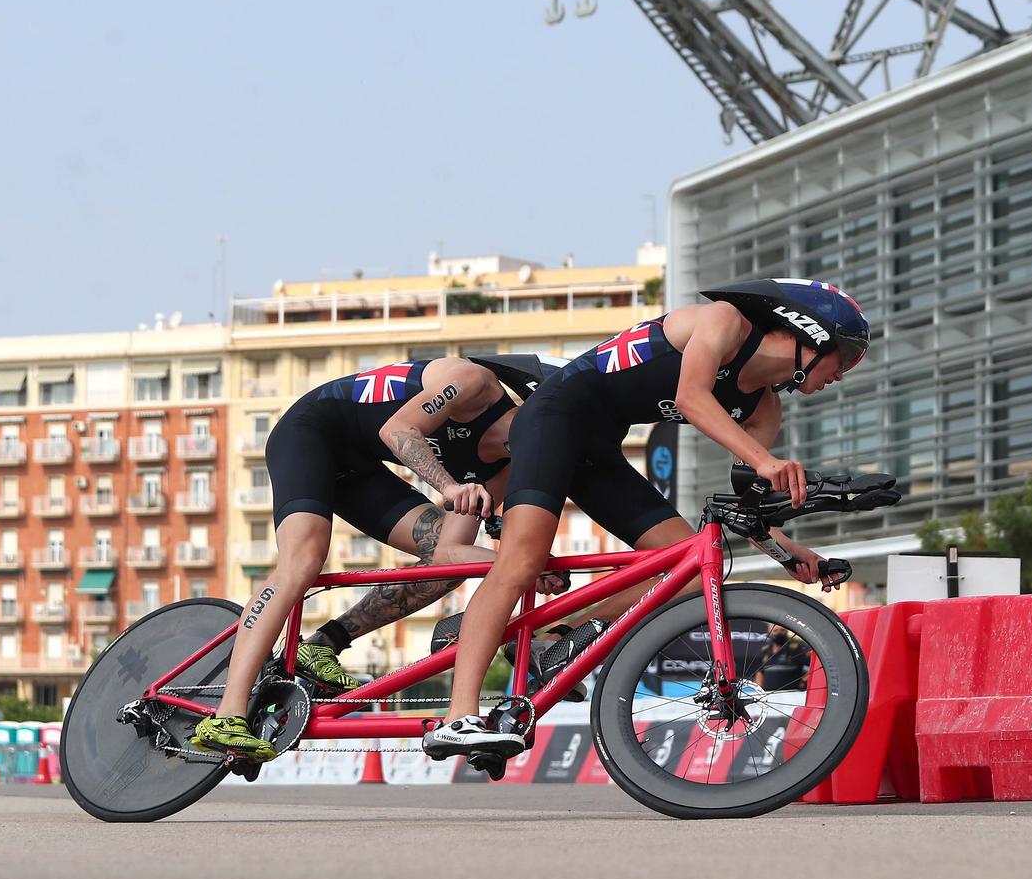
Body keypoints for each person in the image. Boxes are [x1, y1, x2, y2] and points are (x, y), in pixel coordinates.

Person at [423, 278, 868, 761]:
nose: (842, 375)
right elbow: (692, 396)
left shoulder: (764, 406)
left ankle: (562, 636)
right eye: (844, 360)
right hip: (552, 419)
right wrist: (765, 460)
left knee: (694, 569)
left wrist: (789, 551)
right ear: (811, 333)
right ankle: (457, 717)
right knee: (522, 562)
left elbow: (750, 500)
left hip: (596, 452)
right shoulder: (726, 323)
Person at [192, 354, 564, 761]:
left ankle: (324, 643)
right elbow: (397, 429)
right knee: (303, 560)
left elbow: (449, 553)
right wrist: (450, 486)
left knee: (445, 570)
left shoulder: (505, 467)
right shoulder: (474, 382)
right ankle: (226, 713)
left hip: (359, 466)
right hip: (311, 431)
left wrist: (522, 566)